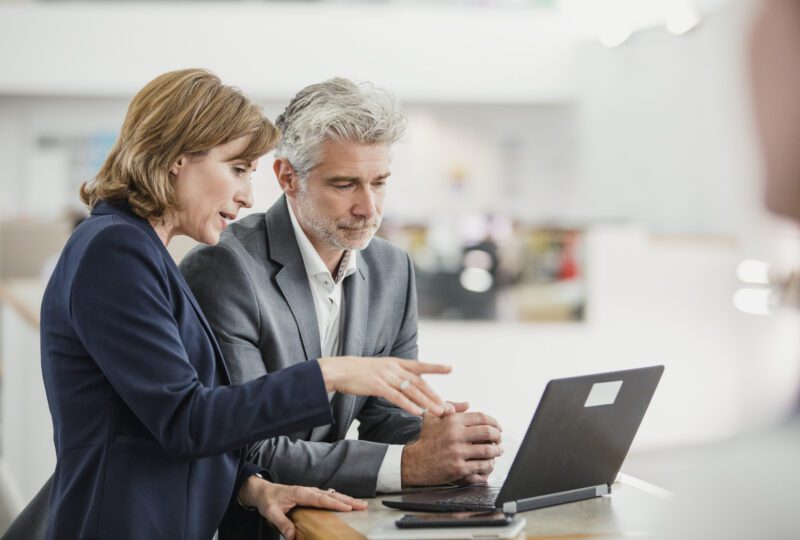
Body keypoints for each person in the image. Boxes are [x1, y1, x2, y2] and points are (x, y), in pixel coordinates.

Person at [39, 68, 453, 540]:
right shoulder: (116, 249)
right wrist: (328, 373)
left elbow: (166, 422)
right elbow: (186, 420)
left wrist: (252, 487)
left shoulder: (138, 249)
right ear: (177, 158)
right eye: (237, 169)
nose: (247, 196)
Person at [179, 77, 503, 523]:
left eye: (379, 182)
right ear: (287, 177)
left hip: (336, 517)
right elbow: (247, 447)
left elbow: (387, 418)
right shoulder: (225, 268)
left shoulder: (392, 269)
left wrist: (445, 442)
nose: (368, 208)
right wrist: (409, 465)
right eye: (345, 184)